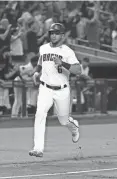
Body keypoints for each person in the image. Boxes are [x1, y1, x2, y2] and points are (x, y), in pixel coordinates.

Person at [29, 23, 82, 157]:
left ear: (62, 35)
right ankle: (38, 148)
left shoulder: (67, 51)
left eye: (57, 33)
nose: (53, 35)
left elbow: (78, 70)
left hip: (62, 89)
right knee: (40, 114)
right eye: (52, 33)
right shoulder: (43, 48)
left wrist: (62, 63)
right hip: (45, 88)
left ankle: (74, 128)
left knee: (63, 120)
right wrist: (36, 73)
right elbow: (40, 63)